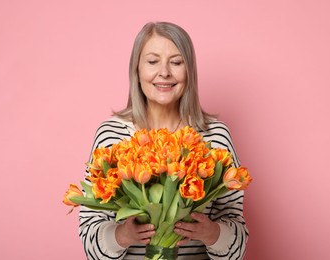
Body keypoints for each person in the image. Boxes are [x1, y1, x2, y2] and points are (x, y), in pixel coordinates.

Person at [79, 21, 249, 260]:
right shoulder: (112, 135)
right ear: (136, 70)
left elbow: (237, 247)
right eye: (152, 61)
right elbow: (90, 238)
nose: (165, 72)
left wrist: (212, 233)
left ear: (189, 70)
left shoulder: (214, 137)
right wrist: (122, 236)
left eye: (177, 62)